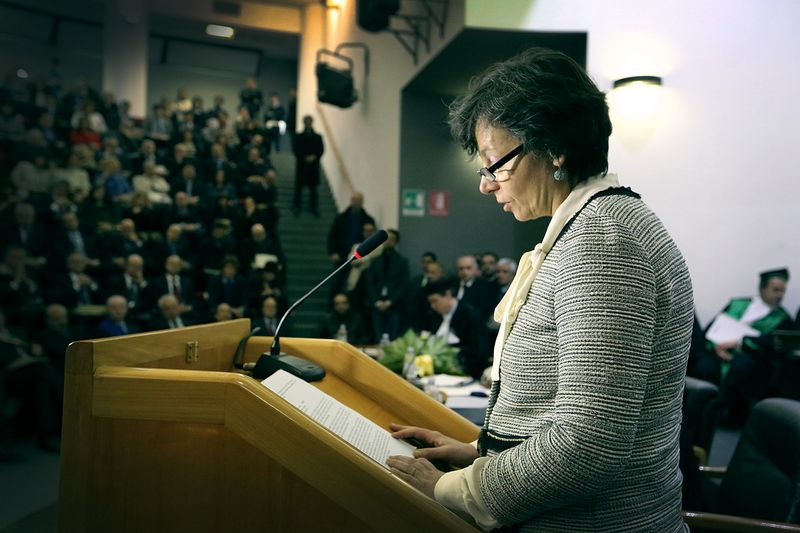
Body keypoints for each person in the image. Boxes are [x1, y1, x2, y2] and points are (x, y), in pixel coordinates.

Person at [386, 48, 693, 532]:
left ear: (554, 148)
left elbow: (589, 446)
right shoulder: (595, 226)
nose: (487, 184)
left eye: (495, 163)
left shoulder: (601, 242)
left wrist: (451, 488)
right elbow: (556, 413)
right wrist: (478, 451)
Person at [696, 268, 793, 425]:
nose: (780, 295)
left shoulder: (783, 319)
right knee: (705, 364)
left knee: (740, 368)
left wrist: (740, 343)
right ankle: (702, 413)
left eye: (783, 291)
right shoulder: (737, 304)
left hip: (748, 357)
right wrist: (716, 347)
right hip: (717, 351)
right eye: (776, 290)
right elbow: (712, 329)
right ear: (762, 288)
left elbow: (771, 344)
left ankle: (730, 417)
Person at [424, 279, 488, 378]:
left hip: (464, 371)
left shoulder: (471, 316)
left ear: (448, 295)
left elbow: (478, 351)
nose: (432, 306)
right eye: (430, 302)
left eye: (435, 301)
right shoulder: (433, 316)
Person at [291, 115, 324, 217]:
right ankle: (297, 206)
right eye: (306, 121)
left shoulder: (318, 137)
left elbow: (321, 150)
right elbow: (295, 150)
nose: (308, 123)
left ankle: (313, 208)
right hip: (302, 165)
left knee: (313, 189)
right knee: (299, 187)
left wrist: (314, 157)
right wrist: (304, 157)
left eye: (309, 121)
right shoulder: (298, 136)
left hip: (313, 166)